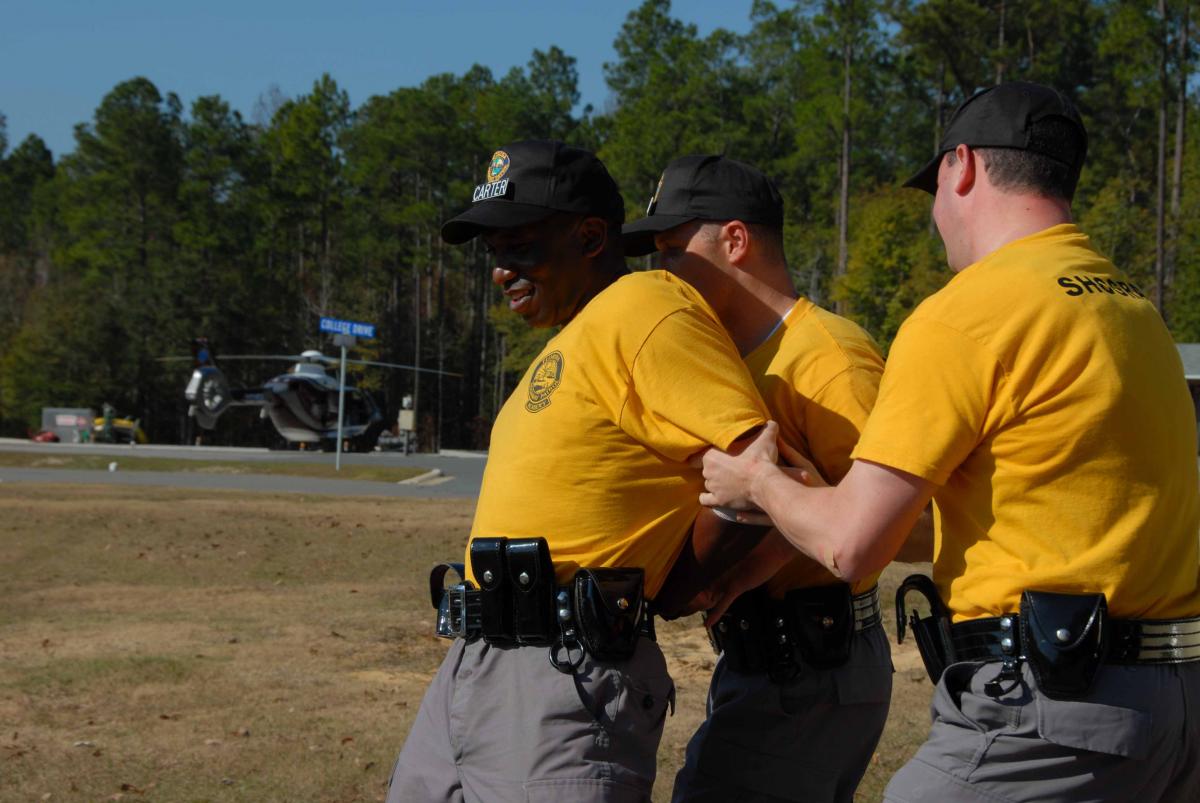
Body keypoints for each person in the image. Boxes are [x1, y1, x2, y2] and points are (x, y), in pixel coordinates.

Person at [698, 81, 1200, 801]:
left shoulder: (968, 314)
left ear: (959, 167)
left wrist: (758, 482)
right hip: (1172, 708)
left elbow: (851, 546)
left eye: (933, 189)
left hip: (1048, 714)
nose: (937, 216)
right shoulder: (1132, 309)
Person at [385, 139, 770, 803]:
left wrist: (675, 589)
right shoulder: (577, 336)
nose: (500, 271)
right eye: (493, 252)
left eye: (519, 246)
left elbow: (759, 474)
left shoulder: (646, 309)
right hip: (478, 660)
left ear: (591, 237)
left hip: (565, 673)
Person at [622, 154, 892, 803]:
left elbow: (908, 525)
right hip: (765, 658)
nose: (661, 272)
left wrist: (773, 527)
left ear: (735, 240)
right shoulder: (728, 358)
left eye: (673, 250)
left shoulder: (828, 359)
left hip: (811, 664)